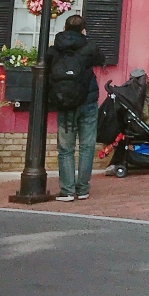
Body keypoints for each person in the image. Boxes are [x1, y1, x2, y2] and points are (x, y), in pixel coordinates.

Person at [51, 13, 104, 201]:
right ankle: (82, 189)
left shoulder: (56, 48)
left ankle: (67, 190)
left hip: (65, 102)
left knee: (66, 148)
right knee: (87, 146)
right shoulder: (89, 48)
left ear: (64, 28)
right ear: (83, 30)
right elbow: (101, 59)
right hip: (87, 101)